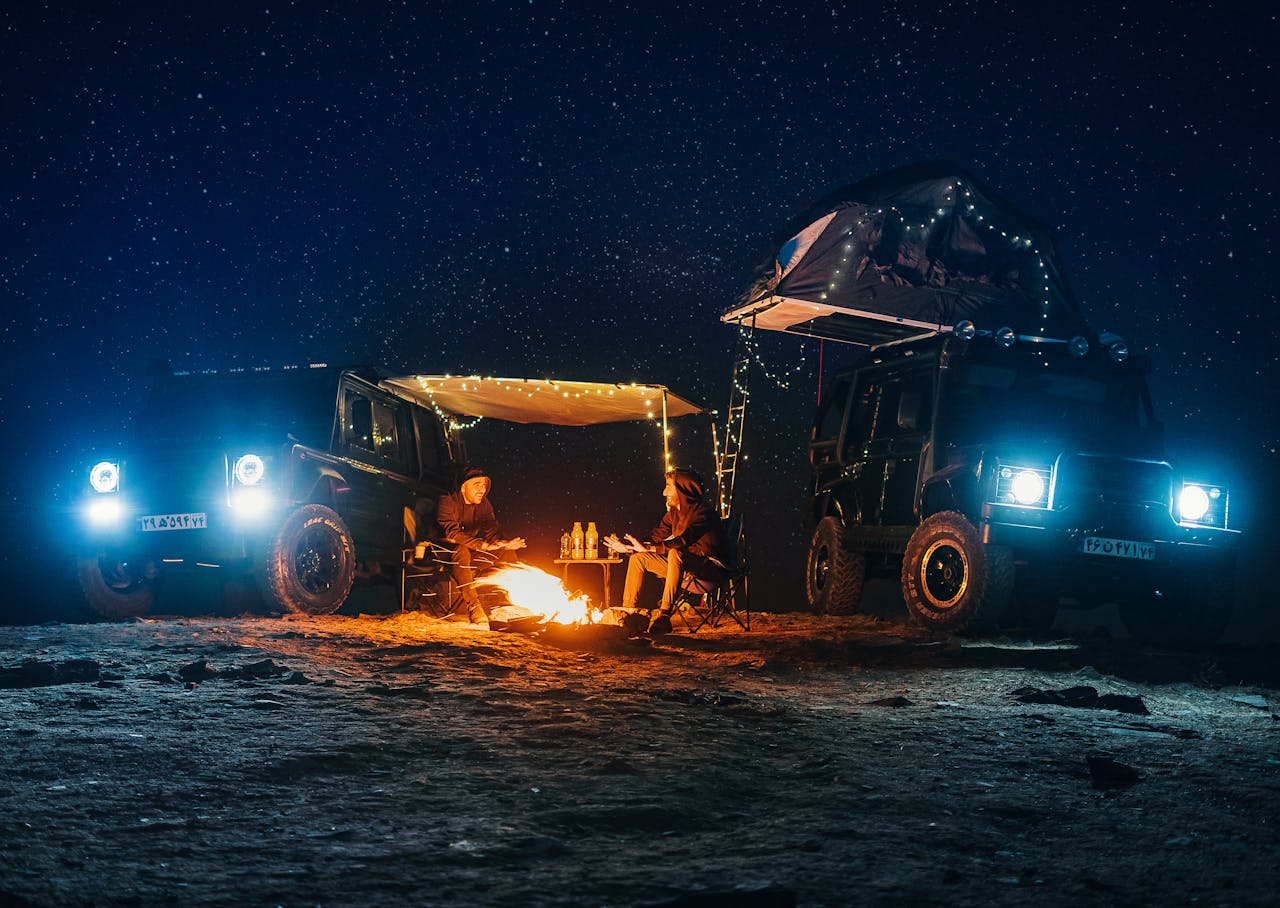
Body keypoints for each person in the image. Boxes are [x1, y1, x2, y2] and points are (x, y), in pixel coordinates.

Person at [605, 467, 728, 635]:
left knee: (675, 552)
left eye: (669, 486)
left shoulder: (703, 513)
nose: (664, 492)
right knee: (638, 558)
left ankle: (664, 616)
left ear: (682, 490)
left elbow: (684, 540)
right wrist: (630, 547)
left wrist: (650, 548)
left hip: (708, 572)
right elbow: (657, 535)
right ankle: (628, 612)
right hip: (684, 569)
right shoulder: (673, 513)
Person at [436, 466, 526, 623]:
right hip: (442, 552)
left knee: (506, 552)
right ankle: (473, 605)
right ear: (463, 487)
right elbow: (452, 534)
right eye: (477, 484)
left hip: (471, 550)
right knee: (461, 550)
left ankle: (509, 602)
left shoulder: (483, 504)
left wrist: (503, 542)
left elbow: (492, 527)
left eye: (484, 485)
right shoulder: (447, 501)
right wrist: (482, 545)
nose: (482, 489)